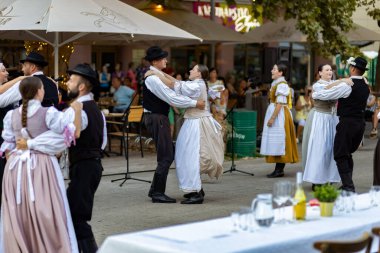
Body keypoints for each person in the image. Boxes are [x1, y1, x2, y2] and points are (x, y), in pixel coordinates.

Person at [0, 76, 82, 252]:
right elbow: (67, 134)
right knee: (46, 210)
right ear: (39, 91)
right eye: (43, 89)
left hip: (15, 168)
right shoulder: (49, 113)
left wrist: (16, 157)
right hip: (41, 167)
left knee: (18, 211)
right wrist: (75, 111)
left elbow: (8, 145)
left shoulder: (10, 115)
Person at [148, 64, 224, 204]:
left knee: (192, 156)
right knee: (188, 155)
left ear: (199, 73)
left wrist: (154, 74)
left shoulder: (196, 85)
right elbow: (175, 82)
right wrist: (157, 73)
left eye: (193, 69)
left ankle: (196, 193)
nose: (190, 70)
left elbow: (173, 84)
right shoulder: (197, 83)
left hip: (197, 123)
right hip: (193, 121)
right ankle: (195, 190)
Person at [143, 46, 205, 204]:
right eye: (163, 58)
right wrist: (194, 103)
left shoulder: (157, 75)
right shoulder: (152, 78)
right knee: (166, 155)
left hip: (158, 117)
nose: (166, 60)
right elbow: (171, 97)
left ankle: (154, 190)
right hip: (157, 118)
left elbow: (175, 87)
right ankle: (157, 193)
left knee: (167, 153)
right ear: (156, 61)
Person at [66, 64, 107, 251]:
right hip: (92, 165)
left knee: (76, 217)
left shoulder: (77, 110)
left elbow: (66, 139)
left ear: (81, 87)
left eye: (71, 80)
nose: (67, 83)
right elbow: (103, 141)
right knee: (73, 214)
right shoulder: (95, 109)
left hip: (85, 167)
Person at [312, 57, 370, 192]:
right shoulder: (366, 85)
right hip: (360, 124)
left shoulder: (347, 86)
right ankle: (347, 184)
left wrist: (316, 92)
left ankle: (348, 186)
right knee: (347, 153)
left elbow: (322, 94)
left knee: (340, 154)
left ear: (353, 69)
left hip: (347, 123)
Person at [302, 64, 353, 189]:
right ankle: (317, 180)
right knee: (320, 149)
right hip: (321, 118)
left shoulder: (335, 83)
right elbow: (327, 92)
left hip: (333, 118)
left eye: (331, 70)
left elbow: (345, 88)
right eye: (326, 70)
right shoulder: (317, 85)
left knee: (331, 149)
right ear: (320, 73)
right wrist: (343, 81)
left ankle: (329, 177)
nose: (330, 71)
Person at [260, 63, 299, 178]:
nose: (272, 70)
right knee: (276, 141)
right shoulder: (276, 83)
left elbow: (280, 103)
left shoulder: (282, 85)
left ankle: (279, 169)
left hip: (280, 115)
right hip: (277, 112)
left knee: (280, 140)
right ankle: (278, 168)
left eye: (274, 69)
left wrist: (272, 118)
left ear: (281, 72)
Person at [0, 63, 27, 204]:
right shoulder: (5, 92)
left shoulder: (9, 92)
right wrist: (19, 79)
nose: (6, 73)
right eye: (3, 71)